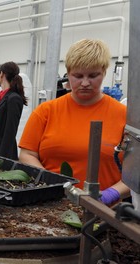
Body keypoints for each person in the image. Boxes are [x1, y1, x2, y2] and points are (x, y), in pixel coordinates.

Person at [19, 39, 130, 206]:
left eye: (93, 75)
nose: (85, 83)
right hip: (51, 206)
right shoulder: (46, 112)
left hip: (106, 212)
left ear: (104, 72)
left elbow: (135, 171)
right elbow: (27, 155)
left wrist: (112, 193)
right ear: (68, 73)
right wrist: (51, 183)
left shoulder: (124, 116)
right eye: (77, 76)